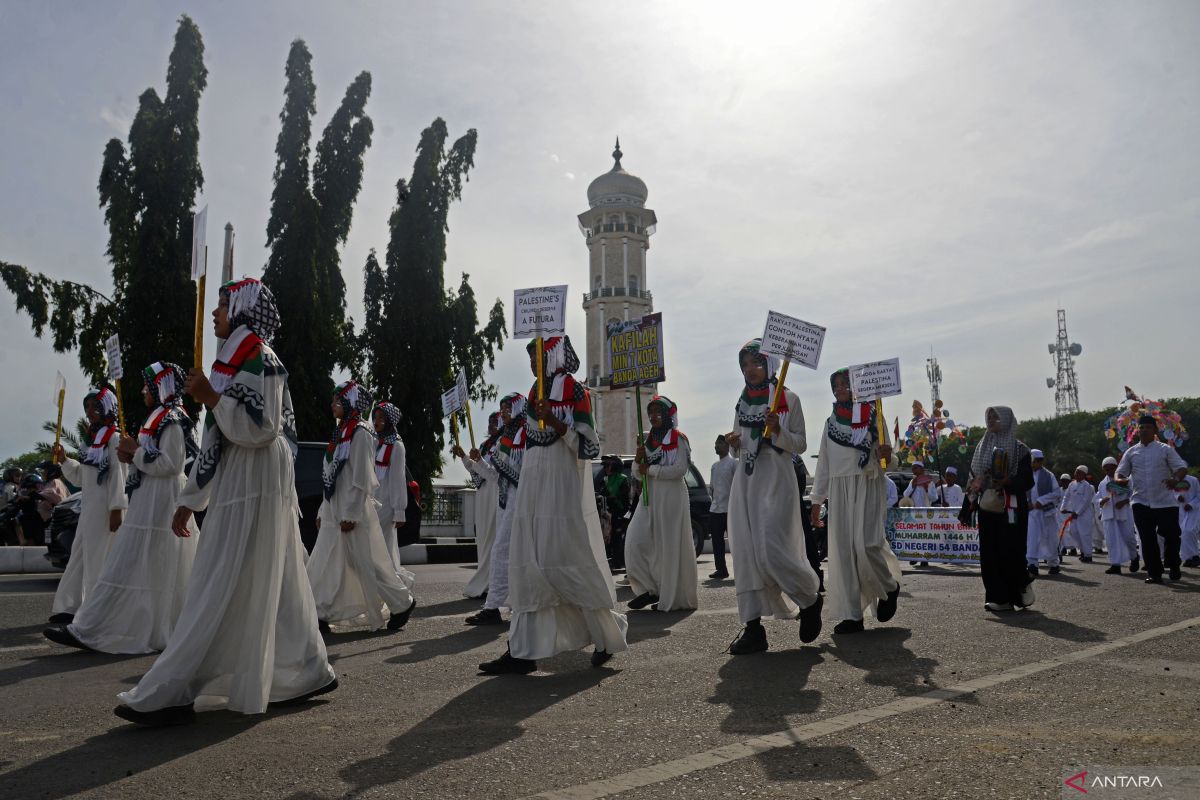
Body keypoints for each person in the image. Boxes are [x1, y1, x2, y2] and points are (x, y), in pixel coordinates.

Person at [114, 278, 336, 726]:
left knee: (223, 571)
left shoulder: (260, 358)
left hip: (258, 473)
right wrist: (191, 496)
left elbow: (264, 427)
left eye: (221, 305)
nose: (215, 313)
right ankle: (308, 668)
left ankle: (175, 686)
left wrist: (212, 398)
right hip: (241, 474)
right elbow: (215, 435)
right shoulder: (230, 359)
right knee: (273, 573)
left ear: (239, 310)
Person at [478, 336, 628, 673]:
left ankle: (606, 634)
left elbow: (590, 447)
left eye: (539, 357)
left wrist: (559, 423)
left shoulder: (575, 391)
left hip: (561, 489)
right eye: (531, 359)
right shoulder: (534, 393)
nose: (533, 364)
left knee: (564, 562)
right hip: (533, 485)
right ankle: (522, 651)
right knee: (528, 563)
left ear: (555, 357)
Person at [45, 363, 200, 653]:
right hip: (145, 498)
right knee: (131, 567)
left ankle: (97, 625)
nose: (143, 390)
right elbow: (93, 475)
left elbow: (171, 464)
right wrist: (67, 461)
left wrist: (133, 456)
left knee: (138, 566)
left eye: (148, 385)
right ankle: (91, 621)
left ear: (162, 386)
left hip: (160, 501)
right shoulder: (156, 418)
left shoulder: (174, 419)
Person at [724, 339, 823, 655]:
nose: (749, 370)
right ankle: (753, 627)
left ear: (768, 365)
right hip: (747, 480)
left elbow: (800, 444)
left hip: (776, 480)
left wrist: (777, 429)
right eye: (744, 365)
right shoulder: (741, 402)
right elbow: (740, 442)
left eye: (754, 363)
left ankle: (809, 597)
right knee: (746, 552)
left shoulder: (789, 399)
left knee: (770, 549)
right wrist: (734, 441)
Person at [307, 381, 417, 633]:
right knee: (324, 561)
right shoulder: (339, 433)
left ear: (350, 403)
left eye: (338, 400)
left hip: (352, 512)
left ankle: (402, 602)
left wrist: (352, 514)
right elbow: (330, 477)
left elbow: (362, 479)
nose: (333, 404)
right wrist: (323, 511)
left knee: (366, 563)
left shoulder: (362, 433)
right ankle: (318, 613)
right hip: (335, 510)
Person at [809, 369, 901, 634]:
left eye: (844, 384)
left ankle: (889, 587)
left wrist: (887, 454)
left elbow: (889, 461)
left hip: (867, 483)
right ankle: (852, 615)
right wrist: (817, 501)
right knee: (844, 554)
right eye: (834, 385)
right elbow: (824, 466)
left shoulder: (873, 415)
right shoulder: (830, 422)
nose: (839, 389)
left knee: (867, 544)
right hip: (839, 491)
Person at [48, 387, 127, 624]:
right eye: (87, 407)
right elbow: (83, 477)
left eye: (95, 406)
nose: (90, 411)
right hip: (88, 508)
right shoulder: (90, 441)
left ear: (108, 407)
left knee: (97, 561)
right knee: (79, 557)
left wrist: (116, 508)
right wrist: (64, 460)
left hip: (105, 509)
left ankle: (95, 613)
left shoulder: (114, 438)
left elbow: (119, 475)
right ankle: (69, 607)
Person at [624, 395, 699, 612]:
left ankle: (671, 596)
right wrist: (638, 460)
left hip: (672, 497)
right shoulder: (647, 441)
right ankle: (650, 589)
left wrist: (652, 470)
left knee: (668, 546)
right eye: (651, 412)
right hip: (649, 498)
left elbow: (680, 469)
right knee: (635, 542)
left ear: (667, 415)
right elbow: (637, 475)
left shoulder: (679, 438)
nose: (653, 416)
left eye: (658, 412)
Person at [966, 406, 1035, 612]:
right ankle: (998, 597)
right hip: (988, 507)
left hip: (1011, 508)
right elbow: (972, 476)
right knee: (990, 553)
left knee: (1010, 551)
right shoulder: (982, 446)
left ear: (1006, 419)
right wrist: (973, 489)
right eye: (989, 416)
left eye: (996, 416)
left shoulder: (1020, 449)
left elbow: (1027, 481)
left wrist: (1007, 481)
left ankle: (1018, 591)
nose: (991, 420)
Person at [465, 393, 526, 626]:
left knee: (503, 551)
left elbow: (521, 471)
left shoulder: (526, 433)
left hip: (520, 501)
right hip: (504, 501)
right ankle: (500, 606)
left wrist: (497, 466)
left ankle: (495, 607)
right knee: (503, 552)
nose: (504, 412)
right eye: (502, 409)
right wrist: (479, 462)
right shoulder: (503, 439)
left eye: (508, 408)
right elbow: (494, 476)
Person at [1116, 414, 1188, 583]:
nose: (1144, 430)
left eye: (1148, 427)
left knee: (1171, 535)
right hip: (1140, 502)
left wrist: (1175, 479)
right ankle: (1155, 573)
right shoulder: (1131, 452)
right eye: (1141, 427)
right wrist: (1120, 479)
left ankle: (1173, 563)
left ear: (1155, 430)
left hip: (1165, 501)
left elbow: (1181, 468)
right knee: (1147, 539)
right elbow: (1120, 472)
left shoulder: (1165, 449)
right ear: (1137, 431)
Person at [456, 410, 501, 599]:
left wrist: (478, 460)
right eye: (490, 422)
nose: (490, 425)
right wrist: (464, 457)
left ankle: (491, 584)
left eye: (494, 422)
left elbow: (495, 473)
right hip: (482, 495)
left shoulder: (502, 444)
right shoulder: (484, 445)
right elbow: (476, 473)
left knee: (492, 539)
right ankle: (485, 583)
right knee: (482, 539)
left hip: (495, 494)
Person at [371, 401, 413, 575]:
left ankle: (391, 583)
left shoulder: (396, 445)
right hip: (372, 501)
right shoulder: (374, 441)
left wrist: (399, 510)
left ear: (389, 421)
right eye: (375, 417)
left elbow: (397, 479)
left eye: (381, 418)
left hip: (387, 504)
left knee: (383, 545)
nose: (377, 421)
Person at [1096, 456, 1139, 575]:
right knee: (1111, 541)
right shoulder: (1102, 483)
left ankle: (1134, 557)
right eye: (1106, 469)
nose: (1109, 471)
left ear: (1116, 467)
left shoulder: (1126, 480)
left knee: (1128, 538)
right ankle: (1115, 565)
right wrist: (1101, 501)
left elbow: (1134, 495)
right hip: (1109, 515)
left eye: (1111, 468)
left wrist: (1124, 502)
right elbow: (1097, 498)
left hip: (1124, 513)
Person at [1026, 450, 1064, 576]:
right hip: (1031, 513)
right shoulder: (1026, 474)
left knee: (1050, 539)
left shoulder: (1049, 475)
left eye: (1037, 461)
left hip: (1046, 512)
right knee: (1032, 538)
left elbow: (1056, 494)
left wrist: (1040, 501)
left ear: (1041, 461)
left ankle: (1053, 564)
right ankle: (1032, 564)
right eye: (1033, 461)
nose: (1034, 464)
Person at [707, 437, 736, 580]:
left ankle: (741, 569)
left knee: (736, 541)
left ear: (727, 445)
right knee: (717, 541)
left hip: (730, 510)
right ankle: (721, 569)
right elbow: (712, 488)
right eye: (715, 444)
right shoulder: (714, 466)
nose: (716, 446)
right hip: (716, 509)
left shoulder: (733, 464)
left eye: (719, 443)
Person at [597, 455, 631, 571]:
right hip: (606, 513)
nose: (605, 468)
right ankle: (607, 561)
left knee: (617, 538)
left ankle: (618, 563)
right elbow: (601, 493)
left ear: (615, 467)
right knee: (605, 538)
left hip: (618, 512)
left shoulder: (622, 479)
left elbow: (625, 499)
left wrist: (624, 516)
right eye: (605, 466)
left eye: (608, 466)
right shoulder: (605, 479)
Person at [1060, 466, 1097, 563]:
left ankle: (1088, 555)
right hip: (1073, 514)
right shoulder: (1071, 484)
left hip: (1084, 515)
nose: (1076, 474)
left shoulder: (1087, 486)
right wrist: (1063, 507)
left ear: (1084, 475)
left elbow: (1085, 501)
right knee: (1073, 532)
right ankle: (1083, 551)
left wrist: (1078, 512)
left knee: (1085, 535)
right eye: (1076, 472)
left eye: (1079, 473)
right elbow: (1066, 497)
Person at [1177, 473, 1200, 568]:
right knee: (1182, 533)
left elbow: (1199, 494)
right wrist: (1177, 497)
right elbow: (1171, 494)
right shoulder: (1172, 480)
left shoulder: (1193, 480)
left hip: (1194, 510)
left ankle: (1195, 556)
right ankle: (1188, 558)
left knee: (1188, 531)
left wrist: (1191, 504)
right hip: (1180, 509)